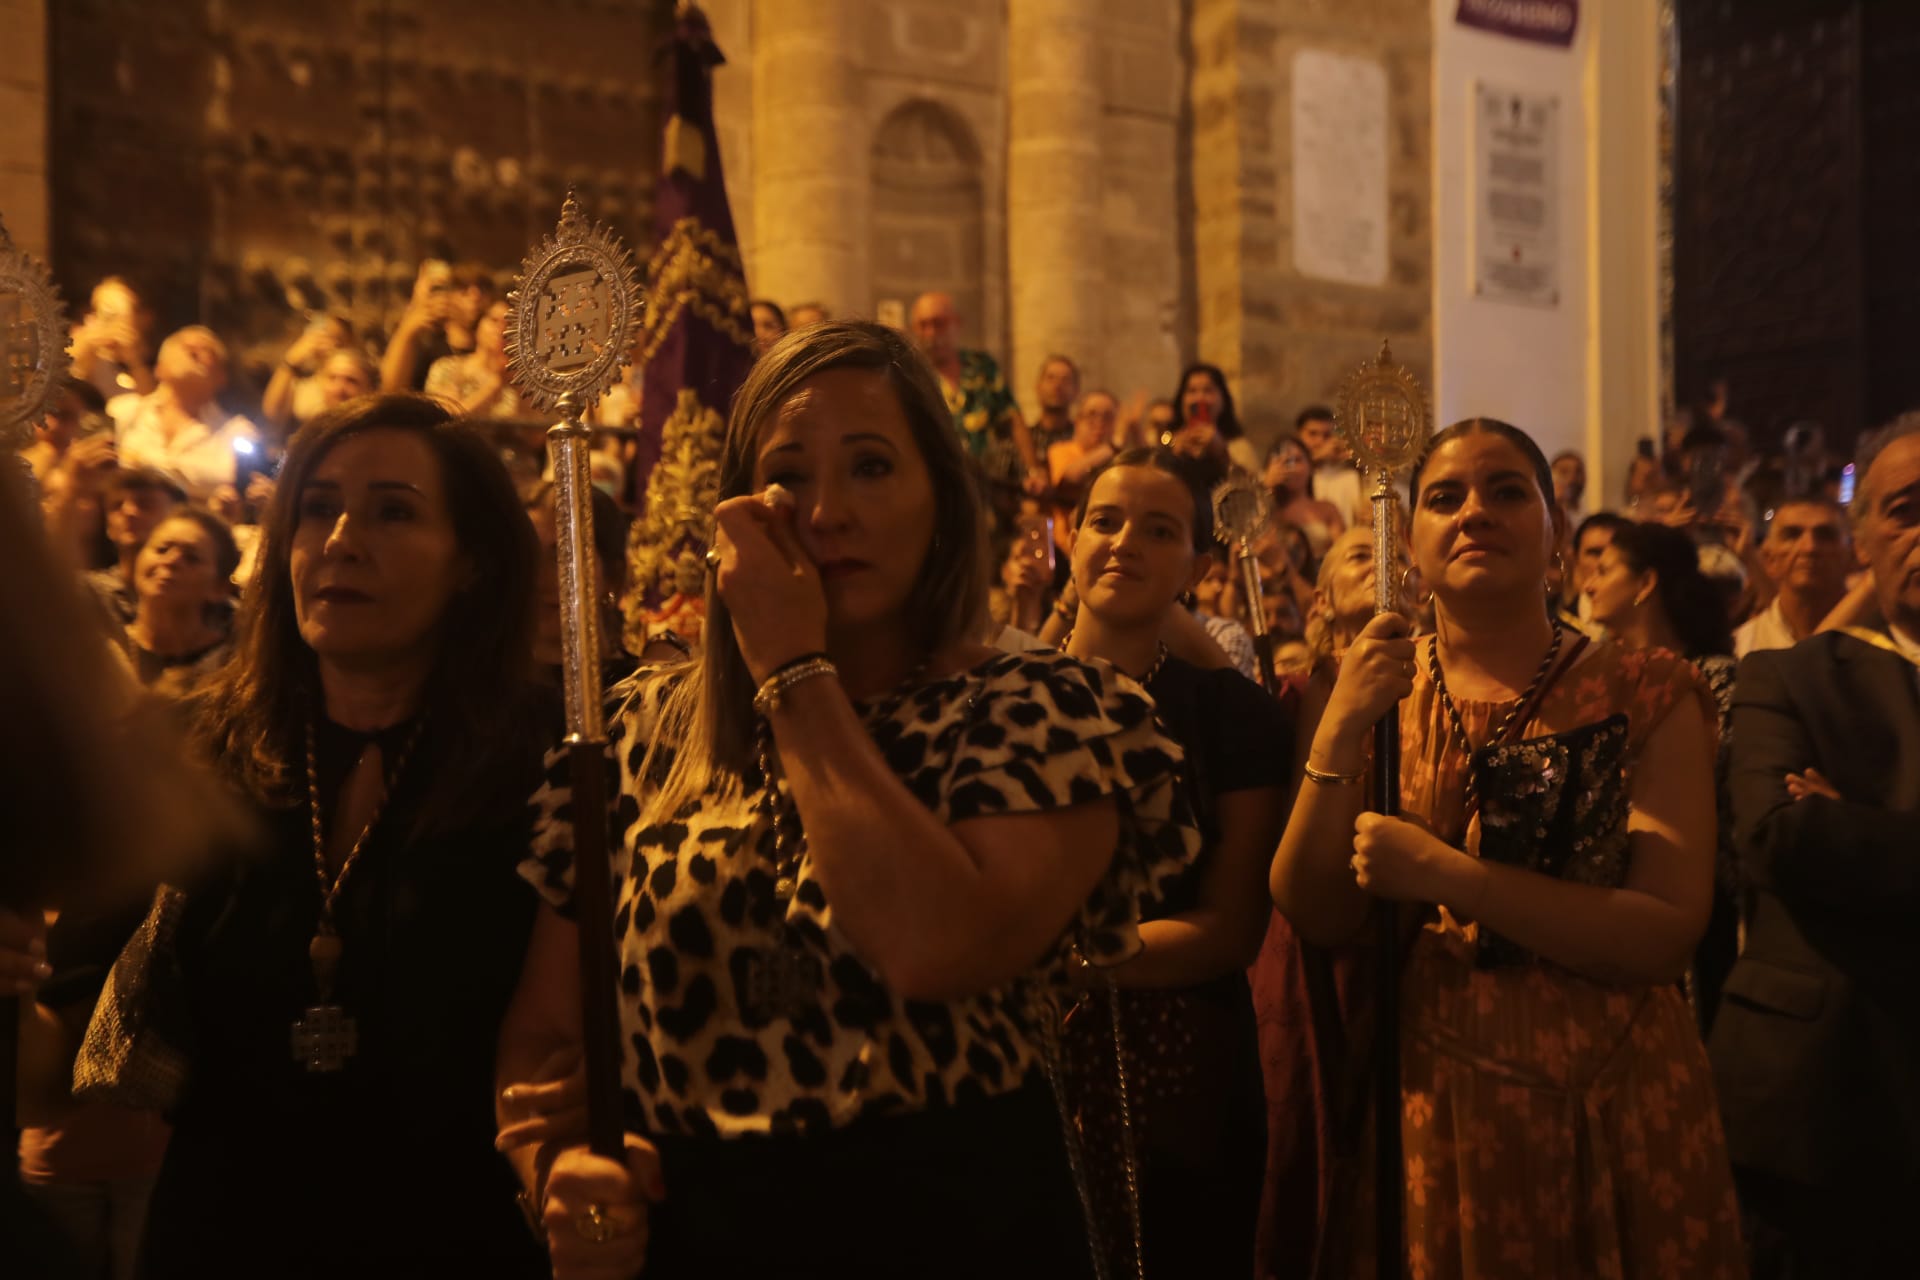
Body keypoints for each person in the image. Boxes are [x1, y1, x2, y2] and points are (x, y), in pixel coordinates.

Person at [496, 321, 1199, 1278]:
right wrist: (557, 1171)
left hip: (951, 1224)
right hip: (697, 1233)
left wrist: (791, 666)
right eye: (786, 474)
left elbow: (934, 943)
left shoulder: (1044, 711)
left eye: (871, 467)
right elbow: (546, 1037)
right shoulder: (639, 734)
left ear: (940, 504)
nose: (825, 511)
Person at [88, 394, 551, 1276]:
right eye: (316, 507)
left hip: (454, 1237)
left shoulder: (546, 767)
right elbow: (77, 958)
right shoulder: (188, 748)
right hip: (225, 1234)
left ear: (473, 563)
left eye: (393, 511)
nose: (340, 538)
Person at [1271, 417, 1745, 1277]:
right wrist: (1338, 736)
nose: (1474, 512)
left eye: (1507, 492)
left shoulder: (1646, 691)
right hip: (1438, 1098)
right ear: (1409, 543)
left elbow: (1664, 930)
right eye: (1445, 497)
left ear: (1557, 536)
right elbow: (1315, 907)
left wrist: (1452, 876)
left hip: (1617, 1087)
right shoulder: (1363, 689)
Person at [1057, 447, 1290, 1277]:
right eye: (1105, 521)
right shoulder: (996, 692)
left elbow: (1230, 928)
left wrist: (1070, 963)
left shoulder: (1235, 716)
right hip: (1023, 1059)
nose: (1124, 544)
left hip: (1183, 1061)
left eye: (1158, 531)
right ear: (1068, 535)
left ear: (1196, 566)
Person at [1712, 415, 1920, 1278]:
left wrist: (1859, 827)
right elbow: (1777, 839)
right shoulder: (1793, 678)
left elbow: (1830, 842)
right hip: (1832, 1107)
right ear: (1864, 539)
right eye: (1906, 510)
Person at [1581, 520, 1741, 1030]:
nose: (1587, 584)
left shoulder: (1712, 677)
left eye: (1604, 569)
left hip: (1690, 902)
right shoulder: (1596, 681)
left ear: (1645, 583)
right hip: (1606, 910)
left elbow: (1707, 789)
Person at [908, 290, 1047, 516]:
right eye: (923, 325)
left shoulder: (981, 367)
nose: (931, 333)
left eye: (939, 323)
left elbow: (1012, 418)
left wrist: (1033, 470)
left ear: (956, 324)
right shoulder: (910, 373)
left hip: (987, 492)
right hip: (933, 493)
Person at [108, 327, 258, 502]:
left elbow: (238, 486)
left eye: (208, 351)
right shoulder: (123, 412)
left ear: (221, 377)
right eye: (187, 348)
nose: (197, 348)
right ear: (159, 368)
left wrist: (141, 464)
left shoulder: (237, 431)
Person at [119, 509, 241, 699]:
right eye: (162, 549)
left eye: (191, 558)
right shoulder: (108, 649)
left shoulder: (232, 667)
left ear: (219, 589)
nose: (171, 560)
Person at [1734, 497, 1852, 657]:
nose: (1809, 548)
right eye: (1792, 535)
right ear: (1769, 559)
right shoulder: (1742, 646)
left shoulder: (1879, 642)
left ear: (1850, 555)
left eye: (1825, 536)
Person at [86, 468, 187, 626]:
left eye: (145, 504)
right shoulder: (91, 592)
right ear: (108, 527)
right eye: (117, 505)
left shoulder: (197, 592)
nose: (128, 511)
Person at [261, 316, 373, 433]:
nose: (326, 344)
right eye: (321, 336)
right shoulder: (303, 385)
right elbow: (272, 412)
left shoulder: (357, 378)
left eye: (336, 339)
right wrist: (292, 360)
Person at [1047, 389, 1118, 558]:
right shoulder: (1060, 450)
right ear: (1077, 421)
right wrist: (1112, 447)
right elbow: (1070, 479)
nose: (1099, 422)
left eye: (1107, 417)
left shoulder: (1120, 460)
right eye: (1091, 415)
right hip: (1064, 551)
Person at [423, 299, 522, 420]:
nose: (501, 329)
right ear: (478, 324)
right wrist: (496, 384)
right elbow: (448, 418)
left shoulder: (520, 379)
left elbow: (535, 433)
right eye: (494, 320)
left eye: (509, 324)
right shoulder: (447, 368)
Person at [68, 276, 156, 402]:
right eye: (99, 312)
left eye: (111, 315)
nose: (102, 322)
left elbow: (151, 406)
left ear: (144, 318)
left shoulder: (155, 363)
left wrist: (134, 362)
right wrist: (86, 347)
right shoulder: (82, 347)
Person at [1263, 433, 1347, 559]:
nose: (1291, 469)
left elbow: (1343, 555)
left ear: (1310, 466)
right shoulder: (1266, 512)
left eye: (1297, 460)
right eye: (1284, 462)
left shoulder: (1326, 509)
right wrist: (1266, 486)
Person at [1296, 404, 1364, 528]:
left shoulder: (1348, 475)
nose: (1320, 441)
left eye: (1326, 435)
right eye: (1312, 434)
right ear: (1298, 436)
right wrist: (1314, 458)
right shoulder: (1294, 475)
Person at [1031, 353, 1081, 455]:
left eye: (1065, 379)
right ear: (1038, 387)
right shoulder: (1023, 442)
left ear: (1076, 391)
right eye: (1050, 378)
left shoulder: (1082, 440)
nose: (1057, 385)